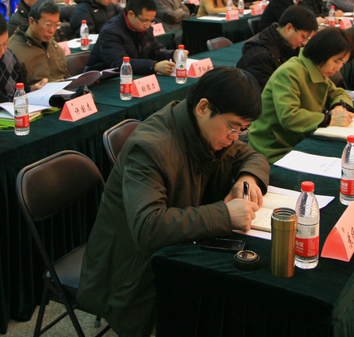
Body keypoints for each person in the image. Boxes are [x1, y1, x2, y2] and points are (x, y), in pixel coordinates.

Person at [78, 67, 268, 337]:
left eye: (243, 130)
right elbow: (149, 226)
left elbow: (251, 156)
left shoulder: (204, 128)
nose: (235, 136)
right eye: (233, 127)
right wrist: (225, 215)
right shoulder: (151, 147)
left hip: (177, 248)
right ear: (203, 107)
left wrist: (247, 178)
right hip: (131, 270)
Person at [249, 27, 354, 164]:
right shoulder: (290, 72)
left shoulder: (317, 70)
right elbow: (290, 117)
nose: (338, 68)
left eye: (343, 63)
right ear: (322, 53)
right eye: (336, 61)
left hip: (298, 140)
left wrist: (339, 107)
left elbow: (339, 93)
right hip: (274, 148)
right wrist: (329, 119)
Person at [84, 0, 176, 75]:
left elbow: (155, 50)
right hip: (103, 79)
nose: (148, 25)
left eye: (151, 21)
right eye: (145, 21)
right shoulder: (110, 31)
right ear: (131, 14)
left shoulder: (145, 29)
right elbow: (119, 63)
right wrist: (154, 66)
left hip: (132, 74)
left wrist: (174, 54)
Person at [237, 5, 318, 90]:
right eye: (304, 37)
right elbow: (267, 93)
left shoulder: (291, 46)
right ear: (288, 28)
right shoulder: (260, 56)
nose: (304, 43)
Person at [7, 0, 69, 86]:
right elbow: (10, 90)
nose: (52, 30)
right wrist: (31, 89)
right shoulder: (12, 51)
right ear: (32, 22)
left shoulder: (54, 46)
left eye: (56, 25)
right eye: (48, 25)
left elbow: (65, 76)